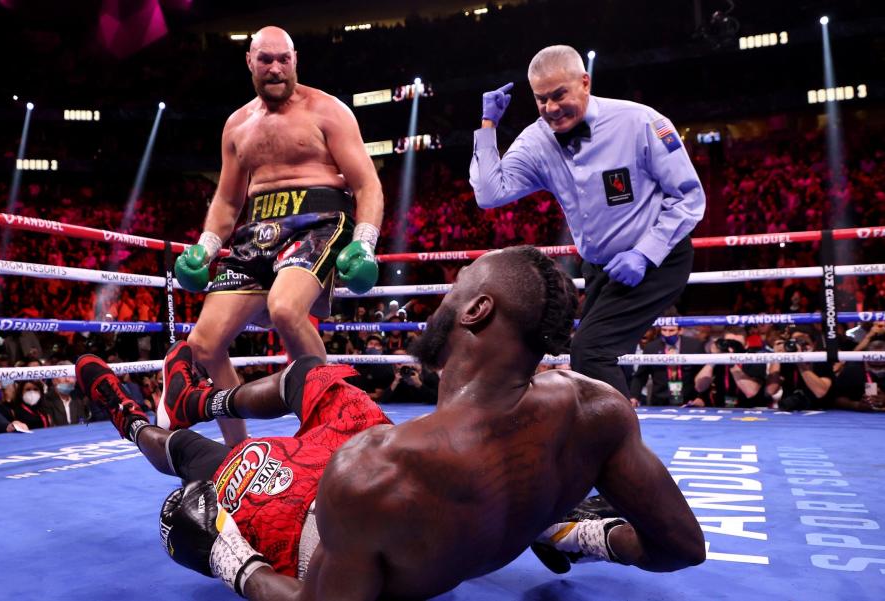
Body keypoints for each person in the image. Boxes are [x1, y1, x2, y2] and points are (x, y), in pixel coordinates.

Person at [78, 246, 704, 599]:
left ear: (478, 310)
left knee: (198, 461)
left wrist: (230, 561)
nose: (445, 297)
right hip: (393, 482)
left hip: (308, 526)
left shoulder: (377, 471)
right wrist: (585, 535)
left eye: (457, 287)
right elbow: (682, 547)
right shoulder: (594, 410)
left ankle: (135, 421)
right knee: (320, 377)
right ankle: (206, 399)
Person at [170, 25, 384, 447]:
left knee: (285, 309)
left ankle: (331, 433)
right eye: (265, 59)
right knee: (204, 345)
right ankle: (237, 453)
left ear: (295, 60)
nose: (275, 68)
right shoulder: (237, 126)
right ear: (250, 62)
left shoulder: (328, 110)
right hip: (256, 232)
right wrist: (205, 247)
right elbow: (229, 202)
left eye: (283, 59)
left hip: (318, 221)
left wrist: (365, 241)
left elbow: (367, 184)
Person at [469, 45, 705, 398]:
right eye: (541, 99)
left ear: (584, 82)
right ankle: (602, 441)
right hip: (599, 267)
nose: (551, 108)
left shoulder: (640, 122)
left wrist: (645, 253)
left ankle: (619, 449)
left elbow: (689, 196)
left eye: (559, 95)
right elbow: (489, 193)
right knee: (584, 358)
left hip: (660, 256)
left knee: (592, 352)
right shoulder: (537, 141)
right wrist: (489, 126)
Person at [629, 320, 704, 406]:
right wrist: (634, 397)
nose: (667, 334)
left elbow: (703, 373)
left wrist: (701, 397)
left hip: (689, 400)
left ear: (680, 330)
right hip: (659, 401)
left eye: (671, 330)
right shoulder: (652, 348)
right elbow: (640, 376)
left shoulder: (694, 346)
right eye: (664, 330)